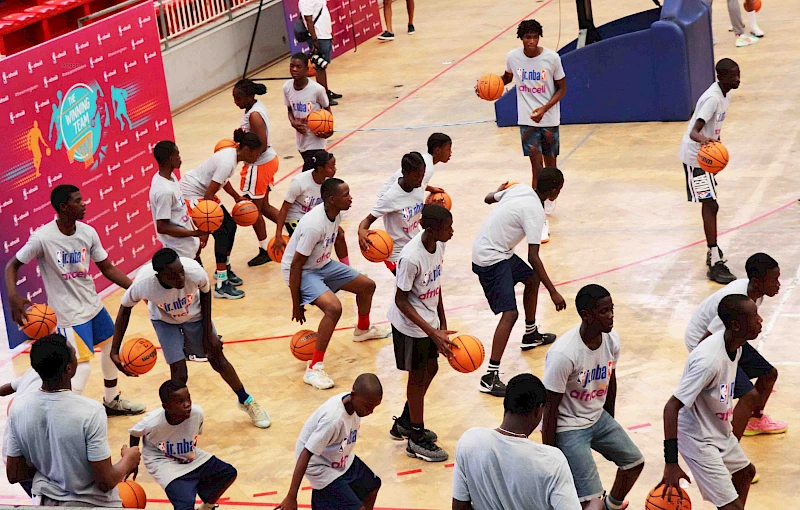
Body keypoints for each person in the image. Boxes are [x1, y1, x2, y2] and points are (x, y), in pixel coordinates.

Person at [5, 184, 145, 415]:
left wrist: (137, 290)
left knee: (112, 348)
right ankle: (65, 415)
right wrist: (13, 296)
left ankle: (111, 401)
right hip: (69, 314)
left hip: (92, 305)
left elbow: (108, 268)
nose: (84, 204)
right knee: (81, 367)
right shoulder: (42, 238)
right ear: (63, 207)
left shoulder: (87, 232)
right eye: (78, 201)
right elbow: (13, 265)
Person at [111, 248, 271, 428]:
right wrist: (114, 350)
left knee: (217, 358)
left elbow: (206, 292)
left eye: (181, 271)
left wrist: (208, 333)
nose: (180, 278)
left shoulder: (193, 271)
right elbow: (124, 309)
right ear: (159, 275)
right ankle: (179, 418)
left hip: (195, 315)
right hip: (165, 321)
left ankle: (246, 400)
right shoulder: (143, 283)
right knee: (179, 371)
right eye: (173, 275)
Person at [5, 333, 141, 506]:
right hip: (92, 503)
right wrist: (129, 459)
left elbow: (14, 473)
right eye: (75, 356)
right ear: (69, 369)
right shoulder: (90, 411)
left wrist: (51, 464)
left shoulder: (18, 409)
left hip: (47, 502)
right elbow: (105, 482)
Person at [542, 285, 644, 510]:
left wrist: (610, 421)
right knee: (592, 500)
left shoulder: (611, 339)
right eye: (603, 312)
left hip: (597, 418)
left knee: (634, 463)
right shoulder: (564, 354)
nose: (611, 316)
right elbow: (549, 407)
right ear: (586, 316)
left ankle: (613, 506)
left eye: (611, 309)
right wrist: (550, 456)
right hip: (568, 427)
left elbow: (610, 380)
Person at [283, 178, 389, 389]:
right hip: (302, 272)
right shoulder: (314, 225)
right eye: (345, 195)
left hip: (322, 265)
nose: (351, 198)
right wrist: (297, 303)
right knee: (333, 308)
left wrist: (348, 267)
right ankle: (314, 368)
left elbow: (338, 236)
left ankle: (362, 329)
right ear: (332, 199)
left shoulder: (335, 212)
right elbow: (295, 265)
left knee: (367, 285)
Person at [659, 294, 759, 510]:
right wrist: (671, 462)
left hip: (716, 430)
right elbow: (671, 407)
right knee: (731, 506)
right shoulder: (708, 361)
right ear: (736, 325)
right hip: (697, 438)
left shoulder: (736, 346)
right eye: (754, 317)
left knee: (745, 473)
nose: (760, 320)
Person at [471, 171, 566, 397]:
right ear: (554, 192)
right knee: (510, 313)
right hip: (491, 258)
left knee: (531, 279)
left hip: (493, 250)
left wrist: (499, 190)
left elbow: (487, 198)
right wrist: (553, 292)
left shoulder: (519, 188)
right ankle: (490, 376)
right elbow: (534, 256)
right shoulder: (535, 212)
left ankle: (531, 334)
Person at [684, 253, 785, 439]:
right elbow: (707, 339)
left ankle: (754, 420)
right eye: (774, 280)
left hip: (728, 337)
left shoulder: (756, 294)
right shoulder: (736, 299)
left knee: (769, 374)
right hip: (705, 341)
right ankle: (728, 437)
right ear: (756, 282)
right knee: (747, 394)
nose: (778, 284)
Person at [452, 374, 581, 510]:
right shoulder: (553, 461)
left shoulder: (470, 441)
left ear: (505, 403)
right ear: (538, 410)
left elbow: (459, 506)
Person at [387, 204, 455, 463]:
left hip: (428, 322)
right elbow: (401, 301)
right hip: (409, 326)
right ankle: (415, 438)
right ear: (431, 228)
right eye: (447, 227)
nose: (452, 231)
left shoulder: (439, 245)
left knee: (432, 369)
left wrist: (441, 328)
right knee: (417, 377)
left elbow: (436, 288)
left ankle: (406, 421)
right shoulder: (410, 257)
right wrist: (431, 332)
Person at [493, 19, 566, 242]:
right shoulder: (513, 57)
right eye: (528, 37)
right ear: (521, 39)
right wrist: (488, 85)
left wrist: (545, 108)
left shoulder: (552, 58)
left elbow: (562, 88)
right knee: (536, 167)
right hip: (527, 120)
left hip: (549, 118)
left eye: (535, 37)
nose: (532, 41)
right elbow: (506, 78)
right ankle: (538, 210)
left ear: (539, 38)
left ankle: (551, 196)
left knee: (550, 166)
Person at [276, 374, 383, 510]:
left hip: (338, 457)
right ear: (353, 395)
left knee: (373, 485)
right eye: (368, 406)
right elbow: (306, 453)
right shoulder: (333, 419)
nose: (371, 411)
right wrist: (291, 496)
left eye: (374, 407)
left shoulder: (356, 403)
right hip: (318, 465)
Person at [180, 128, 264, 299]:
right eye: (256, 154)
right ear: (247, 150)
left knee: (230, 225)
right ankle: (221, 284)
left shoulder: (233, 156)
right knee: (222, 232)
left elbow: (222, 181)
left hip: (204, 192)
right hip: (193, 194)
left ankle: (224, 269)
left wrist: (236, 197)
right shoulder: (228, 161)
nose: (257, 158)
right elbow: (208, 196)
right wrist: (204, 229)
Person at [129, 380, 238, 510]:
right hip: (161, 459)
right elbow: (134, 433)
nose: (187, 405)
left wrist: (188, 455)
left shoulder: (197, 413)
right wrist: (133, 461)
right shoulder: (152, 422)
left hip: (186, 453)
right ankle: (186, 487)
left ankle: (206, 507)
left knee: (228, 473)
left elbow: (194, 437)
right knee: (185, 505)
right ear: (166, 406)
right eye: (180, 402)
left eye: (188, 399)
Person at [678, 58, 740, 284]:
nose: (737, 79)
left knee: (711, 203)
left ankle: (713, 252)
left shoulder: (726, 93)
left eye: (738, 74)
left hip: (705, 160)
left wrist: (717, 149)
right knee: (710, 204)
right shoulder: (712, 99)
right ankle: (714, 261)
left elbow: (715, 127)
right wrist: (708, 145)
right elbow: (695, 131)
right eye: (733, 76)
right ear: (720, 77)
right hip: (696, 160)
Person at [232, 79, 282, 267]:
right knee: (264, 207)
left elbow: (260, 144)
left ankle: (264, 249)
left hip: (259, 164)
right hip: (267, 162)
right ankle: (296, 229)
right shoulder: (254, 108)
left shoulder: (254, 115)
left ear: (249, 96)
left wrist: (240, 145)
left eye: (238, 98)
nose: (236, 102)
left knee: (251, 209)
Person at [272, 150, 349, 265]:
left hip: (315, 216)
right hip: (296, 218)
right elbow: (284, 209)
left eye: (335, 166)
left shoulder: (329, 182)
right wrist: (278, 235)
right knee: (313, 245)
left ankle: (347, 268)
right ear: (320, 168)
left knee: (339, 235)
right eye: (331, 166)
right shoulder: (299, 182)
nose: (334, 170)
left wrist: (335, 225)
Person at [358, 152, 426, 274]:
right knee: (410, 288)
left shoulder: (419, 186)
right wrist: (361, 231)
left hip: (416, 244)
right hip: (397, 252)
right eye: (416, 176)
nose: (420, 180)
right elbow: (368, 219)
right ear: (405, 173)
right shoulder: (391, 197)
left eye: (422, 175)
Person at [151, 141, 205, 261]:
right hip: (180, 252)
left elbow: (182, 212)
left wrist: (195, 238)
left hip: (188, 246)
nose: (180, 159)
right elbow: (162, 227)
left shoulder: (170, 177)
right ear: (171, 158)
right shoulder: (164, 191)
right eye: (178, 155)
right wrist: (194, 234)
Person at [284, 53, 333, 171]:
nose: (294, 69)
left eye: (298, 67)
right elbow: (290, 109)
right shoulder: (287, 87)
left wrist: (329, 130)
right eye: (292, 66)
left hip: (316, 139)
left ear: (307, 68)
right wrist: (293, 122)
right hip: (301, 138)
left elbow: (328, 110)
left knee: (311, 172)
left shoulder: (317, 90)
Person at [2, 365, 43, 498]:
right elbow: (13, 475)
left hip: (20, 462)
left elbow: (8, 387)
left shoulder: (34, 372)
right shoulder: (37, 405)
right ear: (68, 368)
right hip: (26, 469)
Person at [376, 133, 453, 198]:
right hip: (390, 197)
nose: (450, 153)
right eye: (448, 149)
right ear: (438, 151)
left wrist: (431, 188)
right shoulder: (428, 168)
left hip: (385, 194)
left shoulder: (424, 159)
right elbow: (415, 192)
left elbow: (417, 183)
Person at [298, 0, 342, 105]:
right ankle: (323, 96)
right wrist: (314, 40)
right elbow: (308, 19)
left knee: (323, 65)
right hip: (318, 38)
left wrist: (329, 34)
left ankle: (326, 91)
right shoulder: (305, 1)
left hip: (325, 35)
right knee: (320, 67)